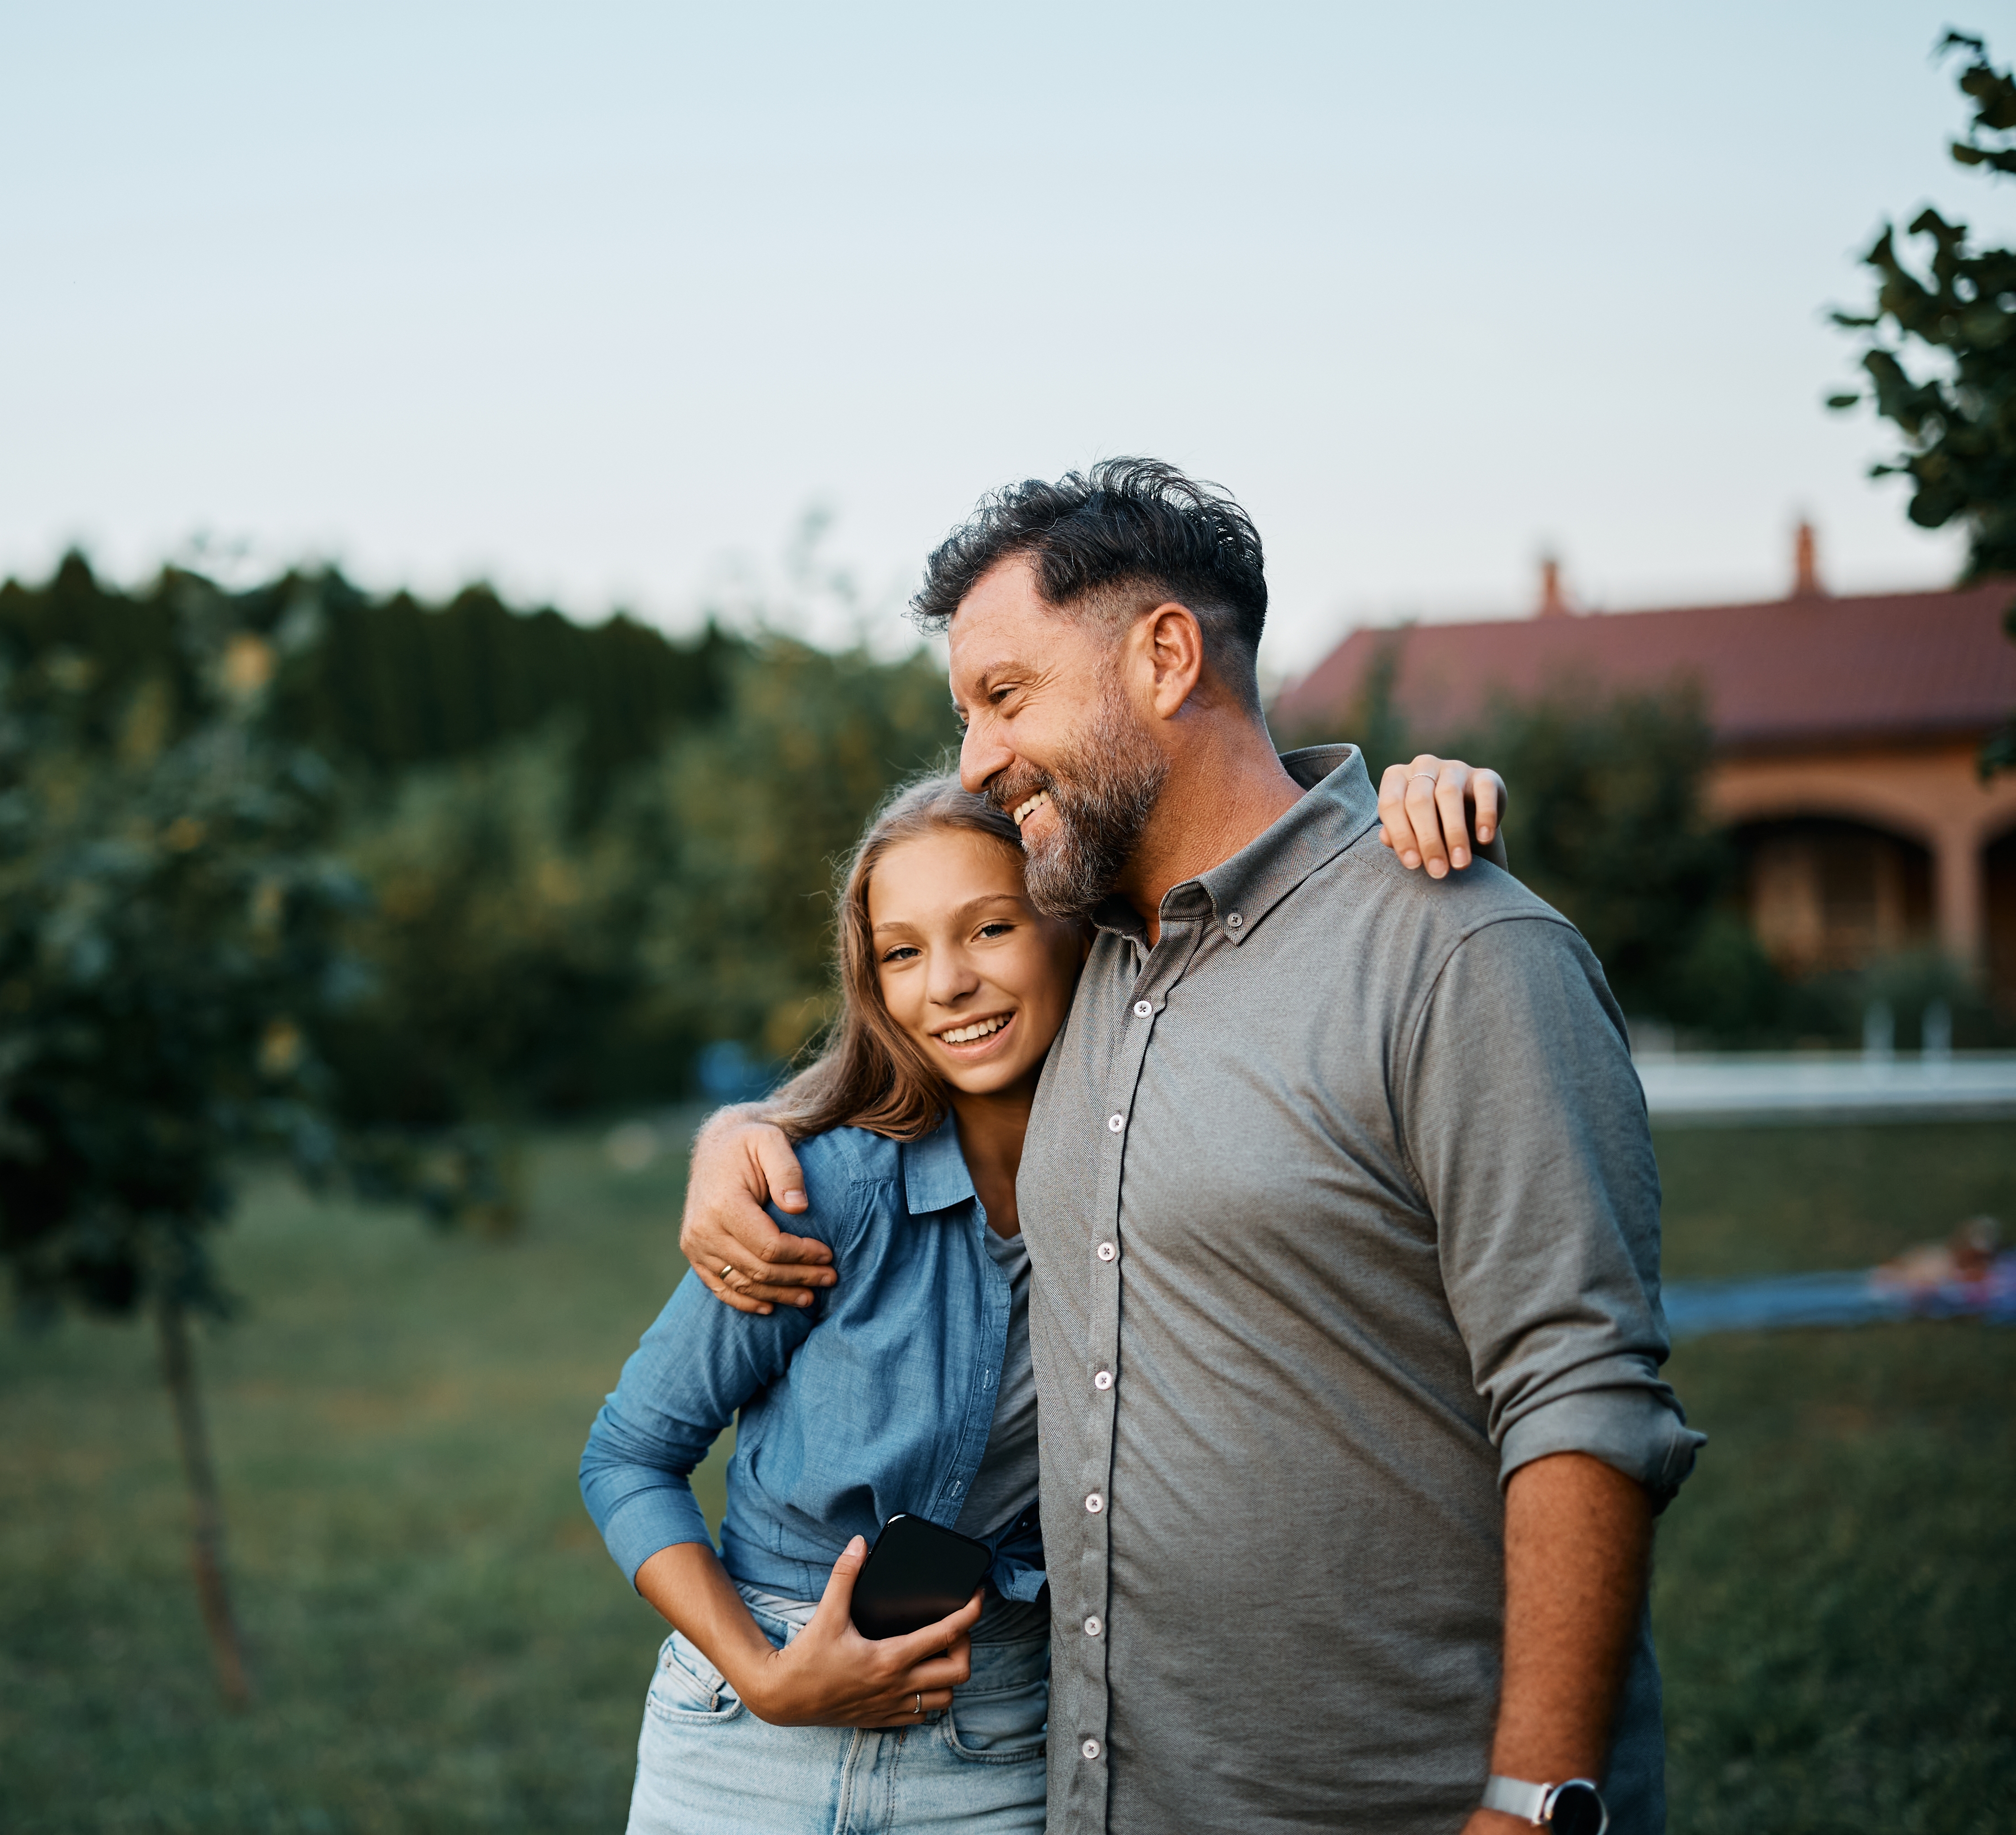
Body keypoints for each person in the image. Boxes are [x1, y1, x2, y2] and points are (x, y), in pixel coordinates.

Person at [681, 458, 1702, 1835]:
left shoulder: (1458, 949)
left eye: (1005, 696)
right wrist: (741, 1130)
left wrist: (1532, 1802)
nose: (974, 758)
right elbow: (911, 1037)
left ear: (1167, 656)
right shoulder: (1090, 958)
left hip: (1403, 1800)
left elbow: (1586, 1396)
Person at [582, 756, 1502, 1834]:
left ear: (1080, 926)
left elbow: (1255, 873)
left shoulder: (1167, 1183)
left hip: (999, 1734)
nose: (947, 984)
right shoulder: (819, 1192)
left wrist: (1411, 797)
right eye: (902, 952)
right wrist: (768, 1674)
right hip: (747, 1728)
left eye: (990, 929)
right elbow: (627, 1453)